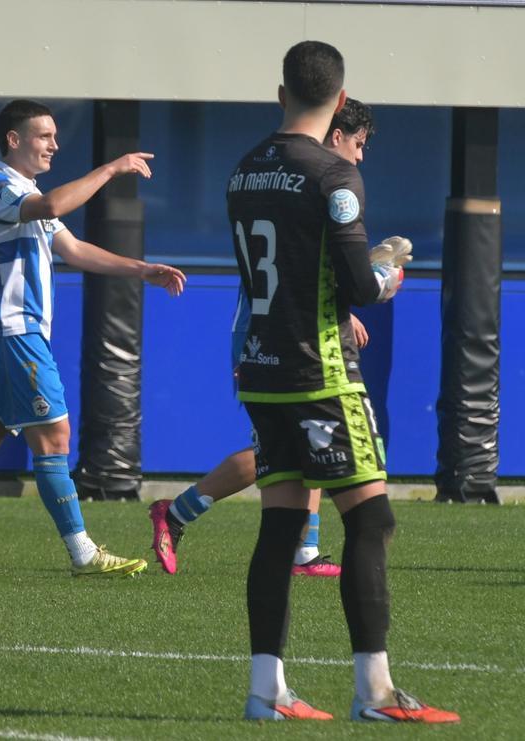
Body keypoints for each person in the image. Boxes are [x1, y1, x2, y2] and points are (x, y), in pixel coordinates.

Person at [227, 41, 457, 723]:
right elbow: (359, 287)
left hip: (261, 368)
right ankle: (377, 693)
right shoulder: (334, 175)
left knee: (281, 525)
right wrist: (387, 274)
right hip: (318, 370)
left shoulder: (244, 170)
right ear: (338, 99)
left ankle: (266, 690)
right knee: (372, 517)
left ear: (280, 95)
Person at [0, 99, 185, 578]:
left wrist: (142, 269)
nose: (54, 145)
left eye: (54, 136)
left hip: (0, 336)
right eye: (44, 136)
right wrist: (110, 168)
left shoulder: (25, 192)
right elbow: (50, 207)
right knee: (55, 438)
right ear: (14, 139)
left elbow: (74, 248)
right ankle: (83, 552)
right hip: (13, 334)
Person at [148, 98, 377, 577]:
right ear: (336, 135)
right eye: (357, 144)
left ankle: (304, 553)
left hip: (291, 329)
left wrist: (339, 309)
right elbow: (293, 270)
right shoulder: (310, 178)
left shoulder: (282, 174)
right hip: (263, 330)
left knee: (308, 438)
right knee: (272, 453)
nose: (359, 158)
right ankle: (176, 511)